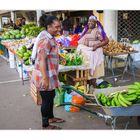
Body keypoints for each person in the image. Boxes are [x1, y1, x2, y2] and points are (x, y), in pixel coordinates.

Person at [31, 14, 65, 130]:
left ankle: (50, 117)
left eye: (59, 27)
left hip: (49, 73)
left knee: (51, 96)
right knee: (46, 99)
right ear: (49, 26)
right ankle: (45, 125)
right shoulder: (45, 40)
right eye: (56, 27)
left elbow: (50, 53)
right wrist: (45, 78)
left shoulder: (50, 37)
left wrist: (60, 57)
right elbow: (41, 59)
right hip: (44, 75)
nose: (58, 29)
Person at [77, 15, 109, 87]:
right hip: (86, 53)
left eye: (92, 21)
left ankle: (93, 87)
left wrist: (97, 46)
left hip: (93, 53)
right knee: (86, 73)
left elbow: (106, 41)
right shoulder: (86, 29)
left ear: (95, 22)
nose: (89, 22)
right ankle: (88, 87)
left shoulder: (98, 30)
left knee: (93, 74)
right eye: (89, 21)